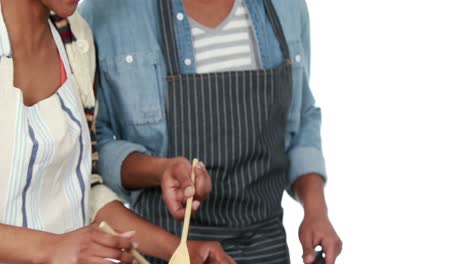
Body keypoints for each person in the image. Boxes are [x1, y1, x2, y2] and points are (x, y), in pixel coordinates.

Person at [79, 0, 343, 263]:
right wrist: (159, 170)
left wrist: (315, 211)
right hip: (165, 252)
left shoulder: (286, 7)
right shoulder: (104, 14)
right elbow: (90, 147)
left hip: (267, 248)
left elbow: (301, 119)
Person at [0, 0, 234, 263]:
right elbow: (60, 247)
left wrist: (178, 249)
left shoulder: (76, 39)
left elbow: (82, 189)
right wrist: (50, 248)